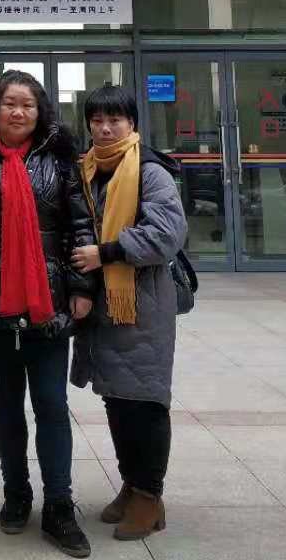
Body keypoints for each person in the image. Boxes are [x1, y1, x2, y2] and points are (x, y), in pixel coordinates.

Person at [0, 71, 97, 558]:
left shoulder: (59, 158)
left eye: (28, 105)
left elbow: (80, 224)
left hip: (49, 300)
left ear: (40, 112)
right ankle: (16, 494)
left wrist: (82, 287)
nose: (18, 112)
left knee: (52, 405)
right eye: (9, 103)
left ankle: (59, 505)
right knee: (6, 406)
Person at [69, 84, 187, 542]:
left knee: (145, 400)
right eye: (97, 120)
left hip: (143, 304)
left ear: (132, 124)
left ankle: (149, 496)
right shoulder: (88, 169)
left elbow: (167, 235)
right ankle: (131, 483)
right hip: (104, 305)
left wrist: (107, 252)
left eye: (114, 120)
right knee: (117, 398)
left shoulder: (150, 171)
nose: (105, 128)